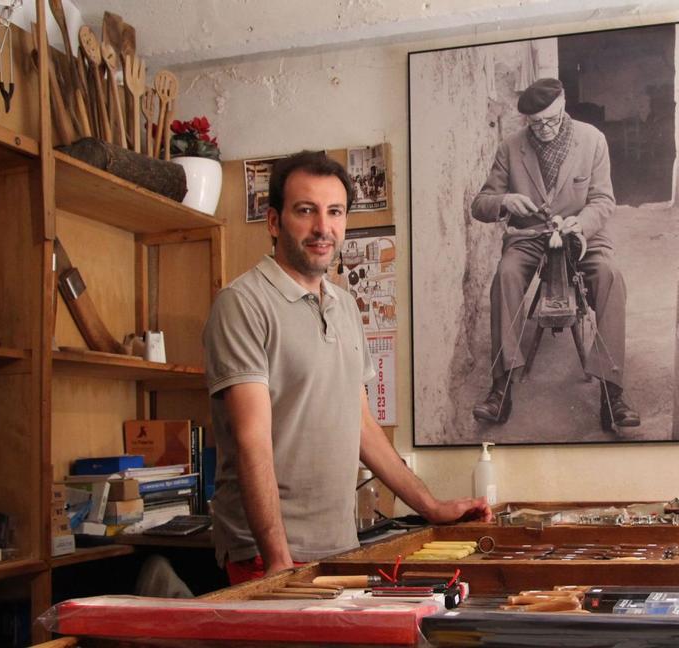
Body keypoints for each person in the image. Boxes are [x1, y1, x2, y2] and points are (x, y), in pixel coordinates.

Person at [204, 151, 492, 584]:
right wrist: (279, 562)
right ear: (273, 221)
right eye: (306, 211)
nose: (324, 227)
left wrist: (431, 506)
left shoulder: (343, 305)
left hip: (338, 545)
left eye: (334, 212)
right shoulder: (243, 305)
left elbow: (362, 428)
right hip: (267, 552)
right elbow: (252, 441)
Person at [470, 77, 639, 431]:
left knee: (610, 276)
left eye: (551, 120)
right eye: (535, 123)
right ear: (525, 121)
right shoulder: (511, 147)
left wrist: (580, 225)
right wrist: (505, 201)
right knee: (506, 276)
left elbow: (603, 200)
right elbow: (480, 205)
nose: (544, 129)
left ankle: (612, 393)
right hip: (530, 234)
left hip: (580, 231)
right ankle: (501, 389)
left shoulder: (592, 140)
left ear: (563, 109)